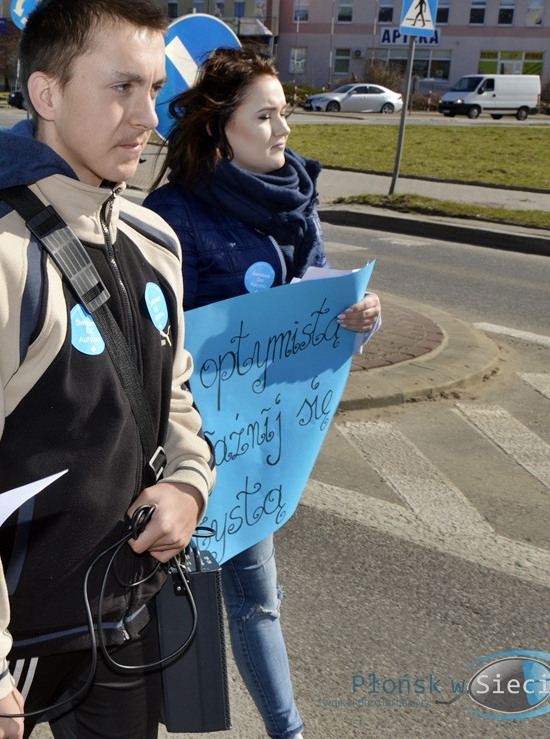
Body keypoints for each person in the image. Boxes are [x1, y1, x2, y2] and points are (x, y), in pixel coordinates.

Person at [0, 1, 216, 737]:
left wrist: (188, 486)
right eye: (121, 89)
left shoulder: (154, 240)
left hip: (128, 621)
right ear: (46, 95)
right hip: (15, 646)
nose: (150, 117)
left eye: (155, 89)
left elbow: (176, 399)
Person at [143, 47, 382, 739]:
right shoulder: (170, 216)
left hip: (269, 443)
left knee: (248, 597)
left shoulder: (296, 198)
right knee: (249, 599)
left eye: (286, 114)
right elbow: (150, 332)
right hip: (199, 443)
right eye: (266, 115)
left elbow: (317, 286)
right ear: (221, 129)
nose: (284, 130)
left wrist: (357, 317)